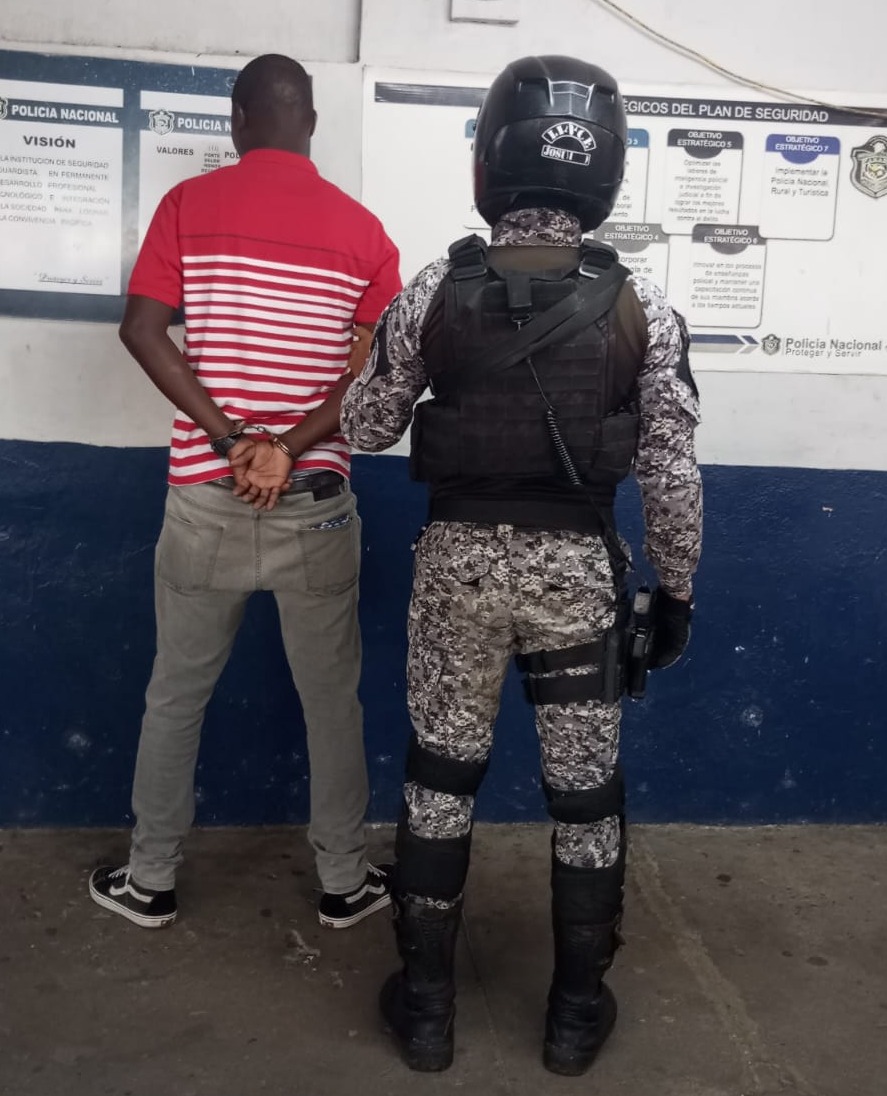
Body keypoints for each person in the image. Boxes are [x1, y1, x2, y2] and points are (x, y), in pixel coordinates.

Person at [340, 55, 702, 1074]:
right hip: (577, 582)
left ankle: (425, 1012)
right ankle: (574, 1015)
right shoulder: (642, 307)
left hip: (455, 574)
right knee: (582, 796)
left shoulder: (432, 288)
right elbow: (671, 476)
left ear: (489, 163)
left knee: (440, 779)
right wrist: (674, 591)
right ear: (606, 169)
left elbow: (364, 427)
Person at [89, 54, 402, 932]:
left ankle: (152, 881)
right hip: (317, 502)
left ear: (236, 122)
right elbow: (377, 373)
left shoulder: (188, 207)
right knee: (331, 704)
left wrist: (232, 441)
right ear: (312, 124)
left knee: (175, 696)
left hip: (205, 498)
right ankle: (343, 883)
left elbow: (141, 330)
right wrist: (287, 446)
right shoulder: (364, 234)